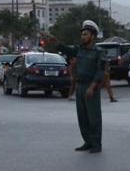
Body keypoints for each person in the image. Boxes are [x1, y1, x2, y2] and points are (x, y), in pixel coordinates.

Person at [45, 20, 106, 153]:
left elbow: (100, 71)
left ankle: (96, 143)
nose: (83, 37)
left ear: (93, 36)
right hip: (80, 85)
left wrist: (92, 87)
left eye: (86, 34)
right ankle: (87, 141)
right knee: (82, 116)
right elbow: (67, 50)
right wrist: (56, 42)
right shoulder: (80, 50)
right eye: (82, 34)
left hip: (91, 87)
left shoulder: (99, 52)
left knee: (94, 117)